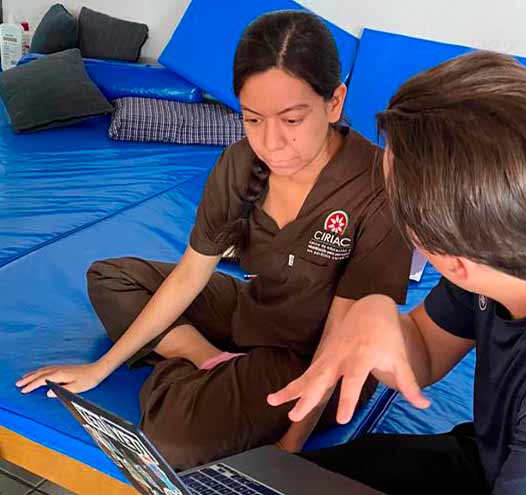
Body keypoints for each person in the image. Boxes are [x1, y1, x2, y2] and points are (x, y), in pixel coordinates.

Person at [268, 51, 526, 494]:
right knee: (286, 483)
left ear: (453, 264)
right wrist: (376, 314)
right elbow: (427, 352)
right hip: (504, 454)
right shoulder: (525, 225)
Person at [16, 11, 411, 470]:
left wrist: (289, 448)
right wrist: (99, 370)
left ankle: (192, 373)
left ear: (334, 102)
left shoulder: (378, 187)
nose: (271, 142)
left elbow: (344, 335)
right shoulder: (240, 163)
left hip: (311, 358)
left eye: (292, 119)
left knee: (172, 441)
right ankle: (202, 357)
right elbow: (192, 271)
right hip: (253, 309)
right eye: (253, 119)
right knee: (111, 278)